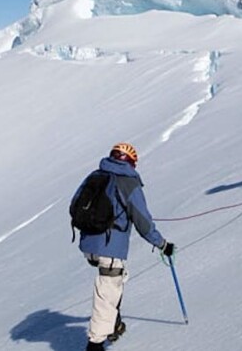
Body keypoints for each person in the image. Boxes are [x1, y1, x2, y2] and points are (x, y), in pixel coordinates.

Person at [71, 142, 175, 351]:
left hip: (88, 244)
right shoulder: (128, 182)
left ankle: (114, 324)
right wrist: (162, 244)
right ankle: (95, 344)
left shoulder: (96, 176)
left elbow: (75, 203)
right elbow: (143, 222)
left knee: (115, 282)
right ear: (132, 163)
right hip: (109, 246)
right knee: (107, 292)